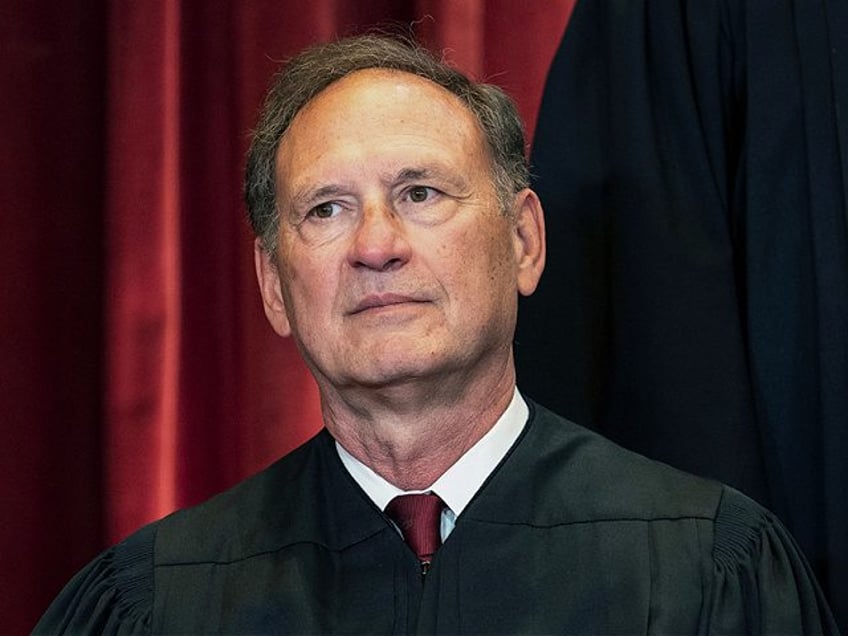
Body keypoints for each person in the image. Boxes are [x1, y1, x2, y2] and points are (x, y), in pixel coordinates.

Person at [35, 34, 837, 634]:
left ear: (524, 241)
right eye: (326, 209)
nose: (376, 244)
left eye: (419, 192)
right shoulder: (159, 601)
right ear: (274, 285)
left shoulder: (708, 572)